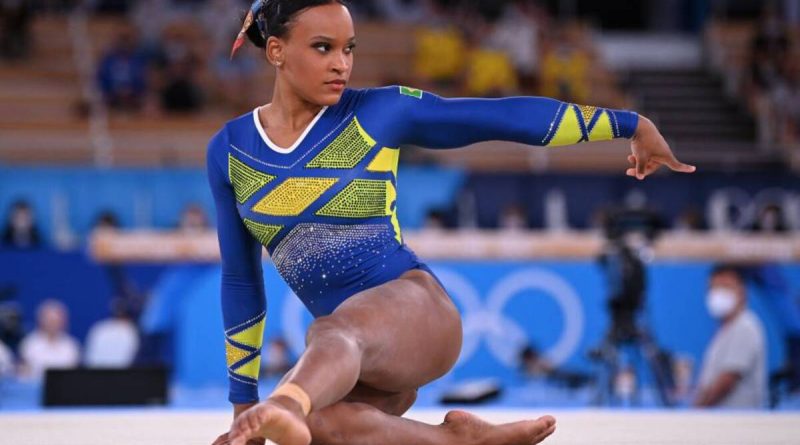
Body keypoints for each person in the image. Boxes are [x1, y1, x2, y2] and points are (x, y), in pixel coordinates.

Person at [208, 2, 696, 444]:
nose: (342, 64)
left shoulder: (380, 113)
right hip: (357, 361)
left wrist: (630, 124)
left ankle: (287, 403)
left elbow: (502, 118)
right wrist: (244, 406)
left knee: (325, 348)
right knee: (322, 428)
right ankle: (459, 439)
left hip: (419, 316)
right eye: (323, 48)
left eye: (349, 49)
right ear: (275, 50)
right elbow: (241, 280)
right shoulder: (230, 151)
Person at [694, 265, 767, 409]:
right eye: (713, 288)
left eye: (725, 287)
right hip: (721, 420)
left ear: (742, 291)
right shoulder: (725, 331)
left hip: (738, 421)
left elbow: (728, 380)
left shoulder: (745, 327)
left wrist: (697, 411)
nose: (718, 294)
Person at [18, 299, 80, 380]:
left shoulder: (72, 345)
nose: (53, 324)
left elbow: (75, 375)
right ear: (41, 321)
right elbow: (23, 375)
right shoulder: (29, 344)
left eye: (56, 321)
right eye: (50, 320)